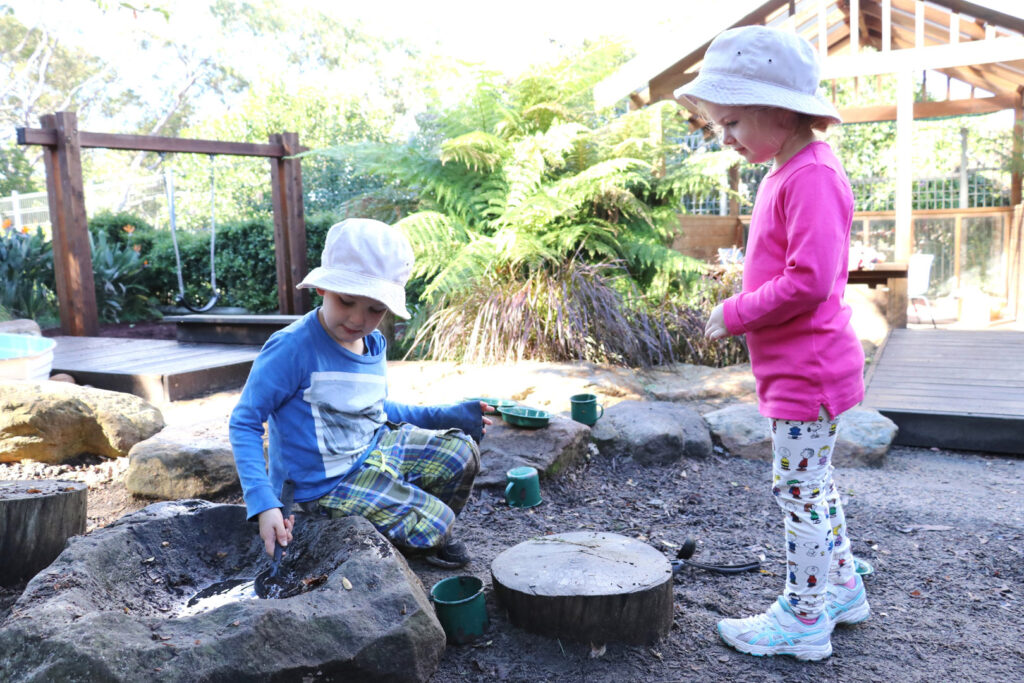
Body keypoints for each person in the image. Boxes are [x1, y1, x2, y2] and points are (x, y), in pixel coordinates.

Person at [679, 26, 869, 661]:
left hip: (807, 371)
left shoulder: (808, 176)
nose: (725, 137)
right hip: (801, 368)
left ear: (780, 110)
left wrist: (733, 313)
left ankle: (804, 616)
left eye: (731, 121)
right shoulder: (791, 169)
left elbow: (810, 280)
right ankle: (841, 589)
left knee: (799, 494)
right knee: (814, 486)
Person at [229, 218, 491, 570]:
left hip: (374, 445)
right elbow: (244, 423)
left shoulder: (374, 342)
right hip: (321, 485)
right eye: (347, 300)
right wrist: (264, 504)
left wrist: (446, 416)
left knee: (462, 451)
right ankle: (411, 529)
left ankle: (405, 514)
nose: (357, 319)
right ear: (322, 289)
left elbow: (374, 409)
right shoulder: (292, 348)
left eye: (375, 309)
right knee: (439, 523)